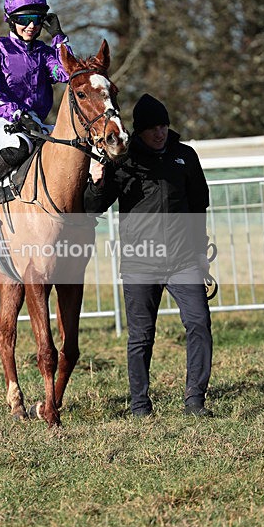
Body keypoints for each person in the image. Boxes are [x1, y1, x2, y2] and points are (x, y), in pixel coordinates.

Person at [84, 93, 214, 417]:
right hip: (140, 260)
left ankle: (195, 402)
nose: (160, 133)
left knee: (199, 323)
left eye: (164, 126)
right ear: (139, 131)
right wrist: (97, 183)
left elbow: (199, 207)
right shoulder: (123, 162)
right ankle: (140, 406)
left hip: (184, 259)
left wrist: (201, 256)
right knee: (142, 336)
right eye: (153, 128)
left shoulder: (185, 156)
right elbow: (93, 207)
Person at [0, 0, 71, 223]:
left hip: (34, 124)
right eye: (24, 19)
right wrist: (17, 114)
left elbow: (67, 73)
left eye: (37, 19)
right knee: (20, 145)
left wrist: (59, 38)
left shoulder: (44, 52)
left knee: (73, 146)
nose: (32, 25)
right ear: (10, 20)